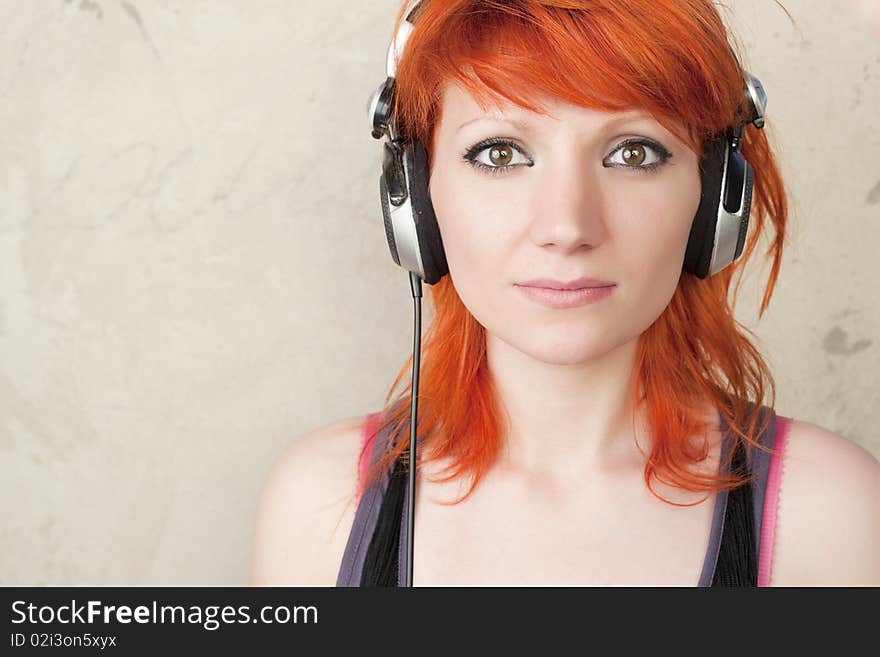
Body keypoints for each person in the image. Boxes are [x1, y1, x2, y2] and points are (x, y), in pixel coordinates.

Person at [250, 0, 880, 586]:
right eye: (499, 153)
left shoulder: (831, 513)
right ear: (414, 200)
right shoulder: (319, 503)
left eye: (633, 152)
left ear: (716, 200)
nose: (567, 227)